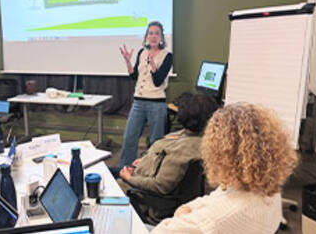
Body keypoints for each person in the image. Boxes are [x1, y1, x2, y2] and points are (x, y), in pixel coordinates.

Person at [151, 103, 298, 234]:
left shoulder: (214, 220)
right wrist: (187, 210)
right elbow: (215, 197)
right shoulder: (269, 192)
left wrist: (182, 213)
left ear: (220, 152)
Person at [115, 94, 218, 223]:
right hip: (145, 172)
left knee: (106, 175)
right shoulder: (199, 140)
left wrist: (129, 178)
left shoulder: (183, 151)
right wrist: (148, 160)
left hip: (145, 196)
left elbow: (160, 186)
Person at [119, 21, 173, 167]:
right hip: (138, 102)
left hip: (156, 103)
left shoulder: (167, 56)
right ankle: (124, 170)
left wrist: (154, 66)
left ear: (161, 37)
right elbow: (134, 76)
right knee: (129, 138)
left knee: (155, 142)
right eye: (150, 33)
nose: (153, 36)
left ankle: (152, 172)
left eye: (157, 33)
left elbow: (157, 81)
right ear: (146, 36)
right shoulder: (142, 53)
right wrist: (128, 62)